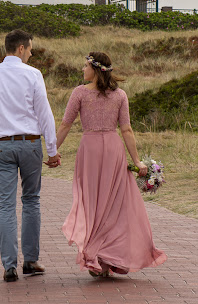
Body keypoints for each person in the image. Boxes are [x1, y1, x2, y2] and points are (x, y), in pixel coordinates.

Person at [56, 51, 167, 277]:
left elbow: (66, 124)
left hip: (90, 150)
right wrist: (136, 161)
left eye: (85, 66)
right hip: (114, 150)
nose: (82, 70)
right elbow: (126, 129)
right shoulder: (120, 95)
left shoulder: (79, 93)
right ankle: (106, 259)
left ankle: (96, 255)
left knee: (92, 203)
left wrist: (52, 150)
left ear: (95, 70)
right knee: (113, 204)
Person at [0, 29, 61, 283]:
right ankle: (31, 261)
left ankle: (9, 265)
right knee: (31, 200)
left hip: (1, 145)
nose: (32, 54)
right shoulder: (33, 75)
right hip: (30, 144)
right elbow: (44, 113)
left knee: (6, 205)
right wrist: (52, 150)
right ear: (20, 49)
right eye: (30, 49)